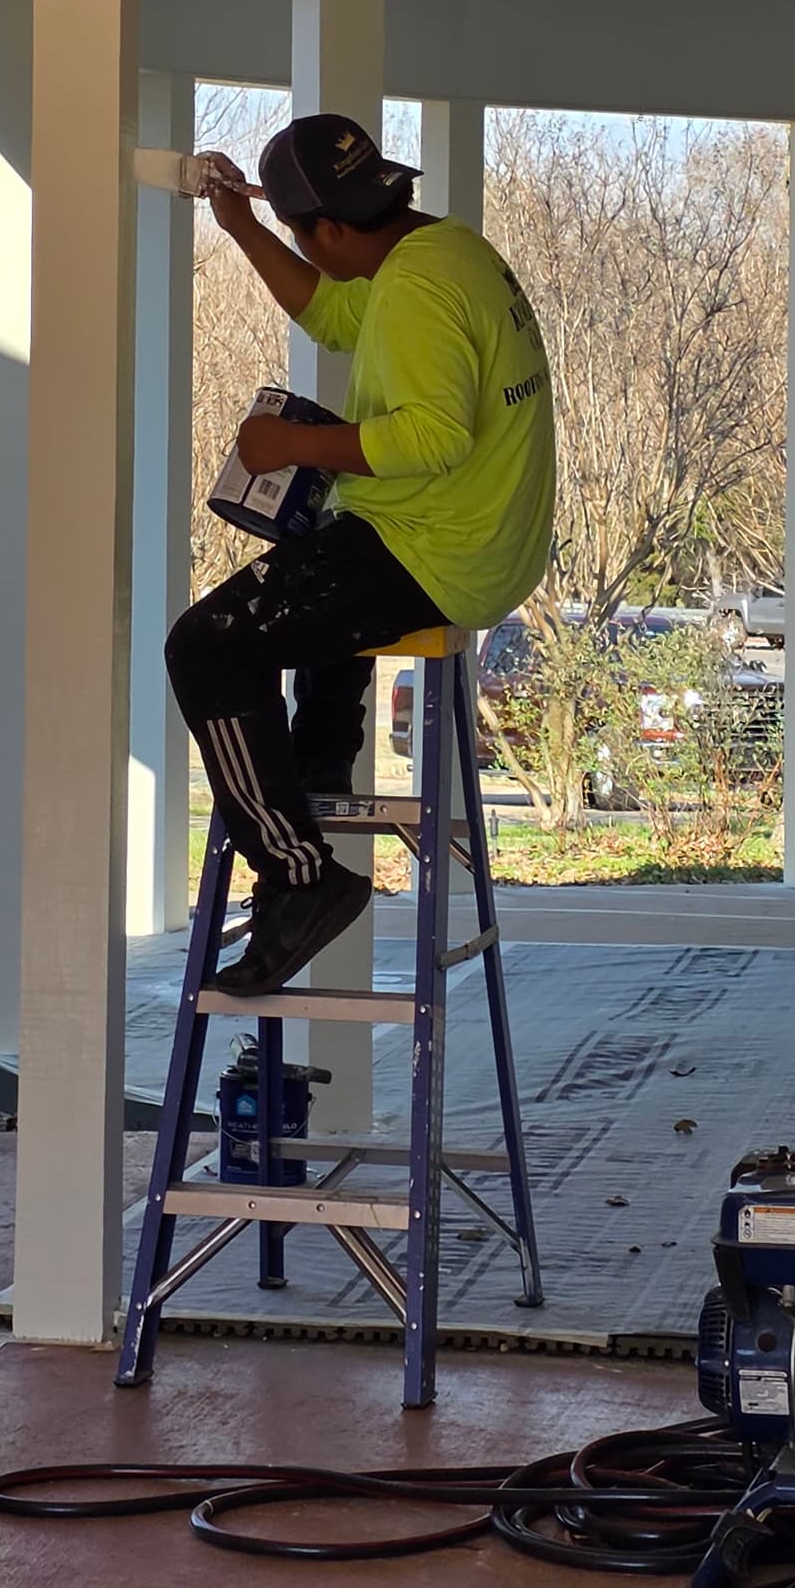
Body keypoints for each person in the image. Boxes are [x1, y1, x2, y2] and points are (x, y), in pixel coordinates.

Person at [166, 113, 555, 995]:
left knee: (207, 645)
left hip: (438, 550)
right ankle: (318, 762)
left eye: (308, 235)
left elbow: (431, 438)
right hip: (476, 535)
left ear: (333, 229)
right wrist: (248, 229)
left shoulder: (416, 293)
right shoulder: (438, 251)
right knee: (313, 560)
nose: (313, 253)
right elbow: (336, 314)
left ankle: (300, 877)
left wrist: (292, 446)